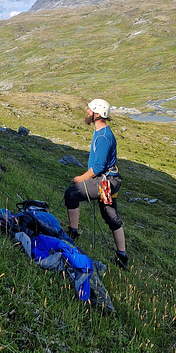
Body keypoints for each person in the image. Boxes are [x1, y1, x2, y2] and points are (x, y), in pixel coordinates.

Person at [63, 98, 128, 270]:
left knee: (71, 194)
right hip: (109, 181)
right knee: (110, 215)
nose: (87, 112)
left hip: (105, 182)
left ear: (97, 114)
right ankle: (122, 257)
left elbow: (98, 167)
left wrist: (80, 179)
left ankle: (72, 234)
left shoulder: (103, 137)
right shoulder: (102, 132)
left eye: (90, 110)